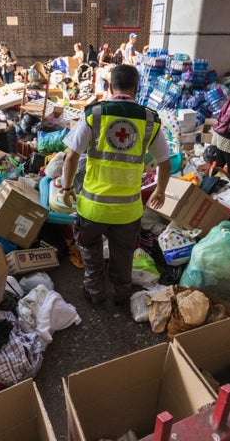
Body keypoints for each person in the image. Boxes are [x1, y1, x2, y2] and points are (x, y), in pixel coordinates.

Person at [59, 64, 171, 305]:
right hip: (127, 211)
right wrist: (160, 190)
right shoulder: (149, 120)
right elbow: (164, 161)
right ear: (136, 88)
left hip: (92, 207)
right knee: (123, 255)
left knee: (90, 251)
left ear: (110, 87)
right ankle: (121, 296)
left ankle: (95, 293)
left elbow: (70, 157)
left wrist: (67, 188)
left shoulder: (95, 114)